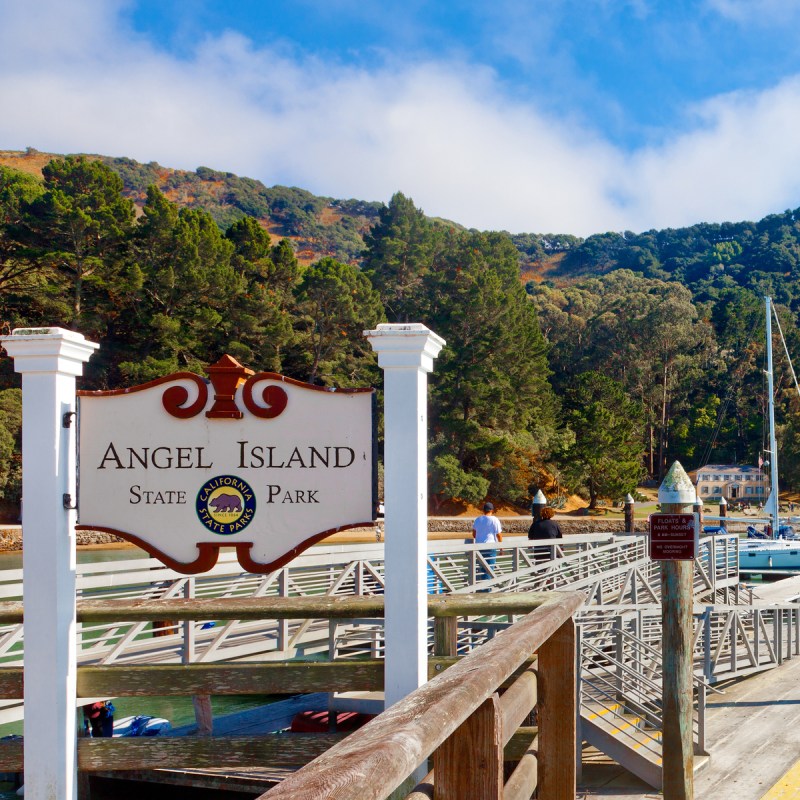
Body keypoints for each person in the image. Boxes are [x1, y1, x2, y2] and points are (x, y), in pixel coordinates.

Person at [472, 502, 502, 587]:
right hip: (490, 547)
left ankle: (481, 587)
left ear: (483, 510)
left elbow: (474, 534)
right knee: (489, 569)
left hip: (479, 547)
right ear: (492, 510)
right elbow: (499, 535)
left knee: (481, 568)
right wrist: (501, 548)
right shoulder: (494, 520)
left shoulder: (478, 519)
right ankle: (486, 589)